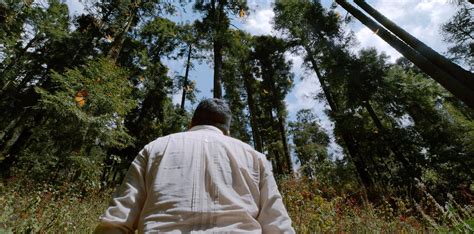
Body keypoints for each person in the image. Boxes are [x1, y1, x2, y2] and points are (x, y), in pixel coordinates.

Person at [95, 98, 294, 233]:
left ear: (191, 122)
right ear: (227, 129)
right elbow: (278, 226)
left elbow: (116, 221)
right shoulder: (254, 157)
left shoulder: (154, 149)